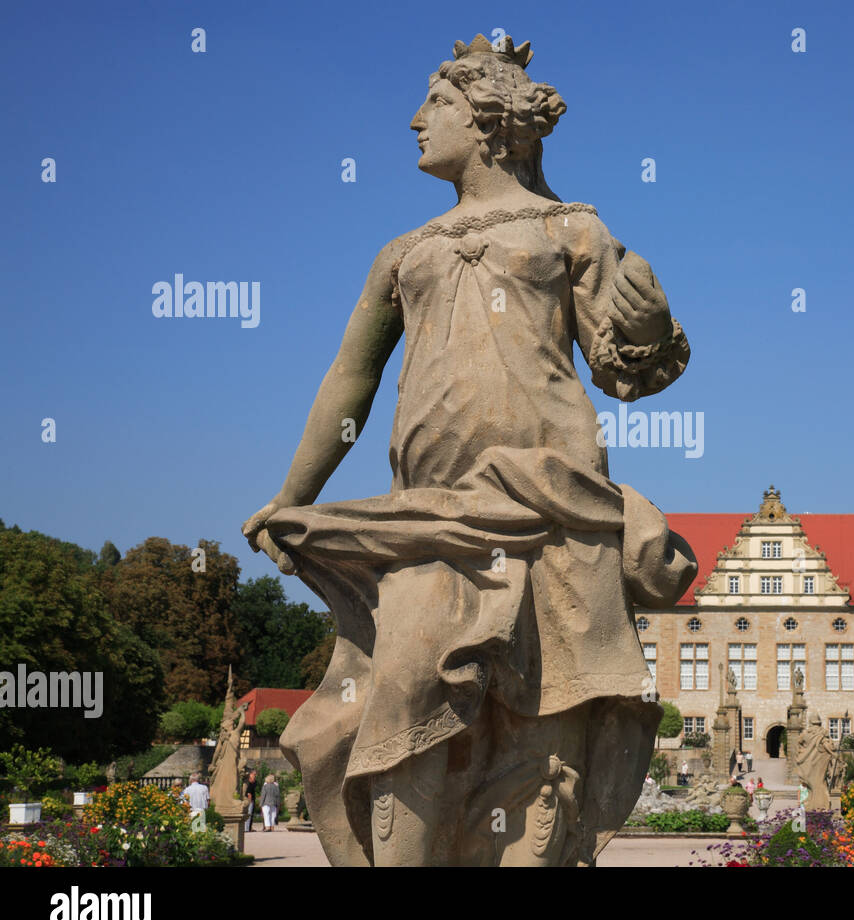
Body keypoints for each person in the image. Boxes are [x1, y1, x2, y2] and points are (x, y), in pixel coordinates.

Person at [240, 33, 693, 868]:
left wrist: (652, 325)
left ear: (490, 120)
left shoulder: (570, 228)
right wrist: (292, 494)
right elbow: (350, 377)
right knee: (403, 711)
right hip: (431, 518)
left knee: (544, 731)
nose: (416, 121)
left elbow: (624, 373)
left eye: (436, 103)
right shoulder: (405, 251)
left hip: (553, 506)